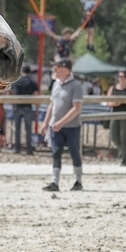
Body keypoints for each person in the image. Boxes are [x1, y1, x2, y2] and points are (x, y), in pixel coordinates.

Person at [39, 58, 84, 191]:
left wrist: (61, 122)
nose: (54, 71)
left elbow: (76, 108)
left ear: (65, 70)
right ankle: (55, 182)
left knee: (74, 153)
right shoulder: (56, 84)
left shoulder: (76, 86)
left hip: (72, 127)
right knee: (55, 152)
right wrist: (45, 123)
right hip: (55, 126)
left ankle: (78, 181)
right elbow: (52, 105)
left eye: (57, 68)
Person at [11, 64, 37, 154]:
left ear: (21, 71)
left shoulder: (17, 81)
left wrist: (12, 103)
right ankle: (28, 149)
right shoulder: (32, 82)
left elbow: (10, 92)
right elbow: (36, 95)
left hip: (17, 107)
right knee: (28, 129)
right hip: (27, 107)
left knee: (17, 129)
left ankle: (17, 148)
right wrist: (37, 108)